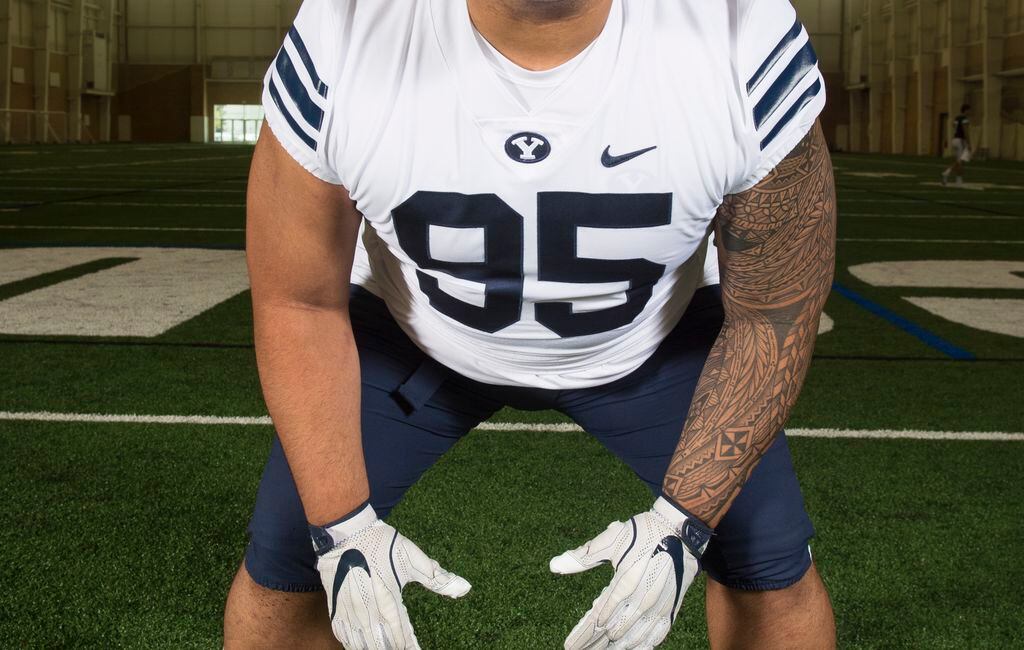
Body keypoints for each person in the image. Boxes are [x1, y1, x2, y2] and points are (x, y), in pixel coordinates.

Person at [225, 0, 838, 648]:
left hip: (654, 337)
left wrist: (684, 524)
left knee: (770, 573)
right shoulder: (350, 25)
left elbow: (772, 312)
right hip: (414, 333)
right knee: (287, 570)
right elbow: (299, 302)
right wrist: (340, 529)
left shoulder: (737, 26)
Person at [942, 104, 971, 186]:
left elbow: (954, 125)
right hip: (960, 140)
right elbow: (966, 132)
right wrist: (969, 143)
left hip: (955, 139)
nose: (970, 112)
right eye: (969, 110)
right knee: (960, 161)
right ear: (966, 110)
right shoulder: (965, 119)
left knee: (959, 161)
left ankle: (958, 180)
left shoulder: (957, 118)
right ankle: (947, 172)